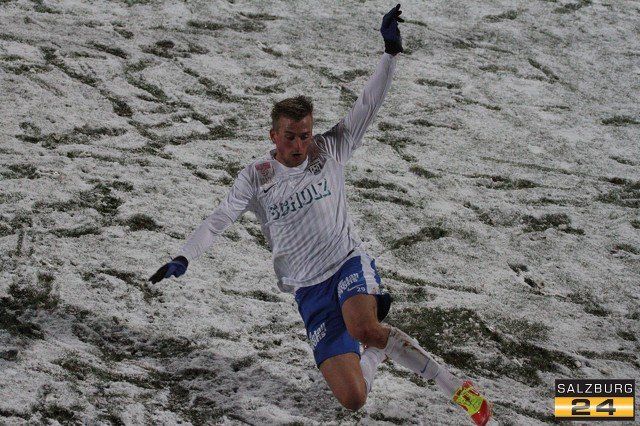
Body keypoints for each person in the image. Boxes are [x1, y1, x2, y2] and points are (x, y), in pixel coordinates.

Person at [150, 4, 491, 425]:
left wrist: (390, 53)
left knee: (364, 327)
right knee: (353, 398)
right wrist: (184, 256)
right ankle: (377, 353)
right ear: (273, 135)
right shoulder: (256, 177)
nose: (299, 145)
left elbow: (368, 104)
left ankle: (456, 389)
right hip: (308, 290)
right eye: (290, 137)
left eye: (305, 135)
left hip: (346, 263)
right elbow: (219, 219)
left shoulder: (329, 150)